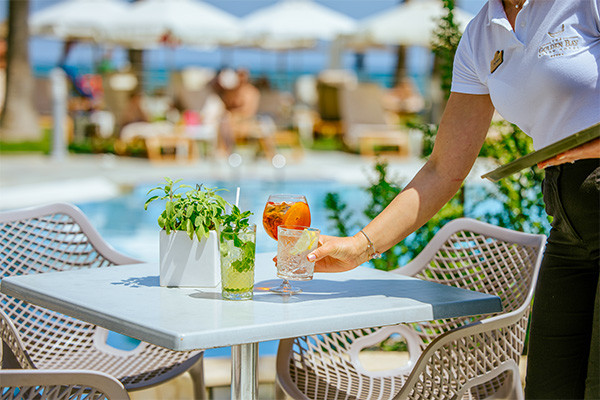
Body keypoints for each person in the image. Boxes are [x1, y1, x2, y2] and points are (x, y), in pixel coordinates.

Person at [307, 1, 600, 399]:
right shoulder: (482, 36)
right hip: (569, 228)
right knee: (548, 390)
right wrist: (359, 247)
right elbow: (443, 169)